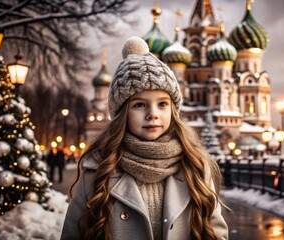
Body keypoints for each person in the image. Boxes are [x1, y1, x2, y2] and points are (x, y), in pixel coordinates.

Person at [61, 36, 228, 240]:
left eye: (162, 104)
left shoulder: (195, 166)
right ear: (123, 113)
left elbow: (215, 232)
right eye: (140, 104)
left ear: (173, 110)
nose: (153, 114)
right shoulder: (98, 170)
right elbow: (73, 234)